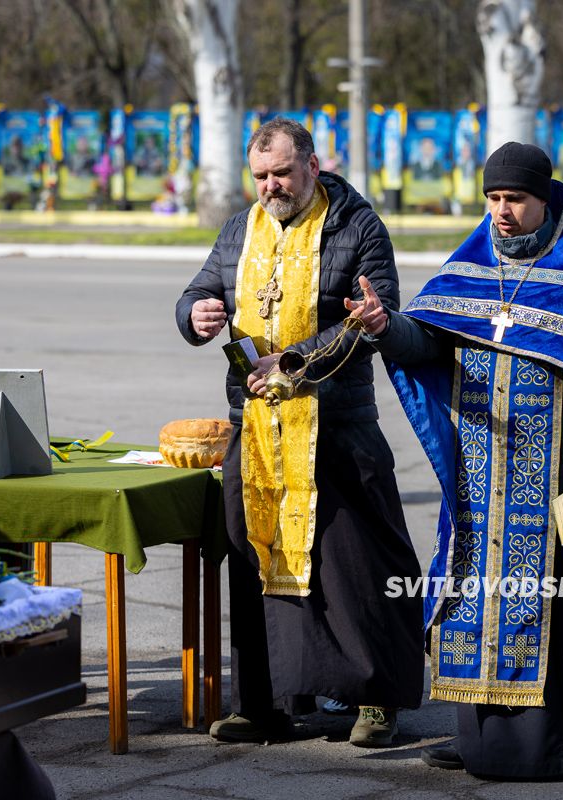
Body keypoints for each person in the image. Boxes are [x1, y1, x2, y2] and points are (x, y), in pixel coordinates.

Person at [346, 142, 563, 779]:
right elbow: (426, 344)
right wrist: (385, 327)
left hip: (557, 478)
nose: (501, 211)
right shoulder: (468, 269)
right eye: (493, 199)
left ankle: (559, 747)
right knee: (471, 599)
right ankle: (477, 738)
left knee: (556, 607)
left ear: (542, 200)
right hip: (477, 478)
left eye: (514, 199)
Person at [175, 118, 423, 747]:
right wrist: (194, 313)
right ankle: (265, 704)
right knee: (255, 555)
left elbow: (372, 320)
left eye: (281, 173)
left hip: (338, 425)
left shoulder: (359, 225)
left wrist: (291, 365)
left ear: (313, 166)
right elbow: (203, 288)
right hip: (255, 430)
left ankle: (375, 703)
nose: (270, 187)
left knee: (355, 567)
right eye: (259, 176)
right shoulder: (240, 227)